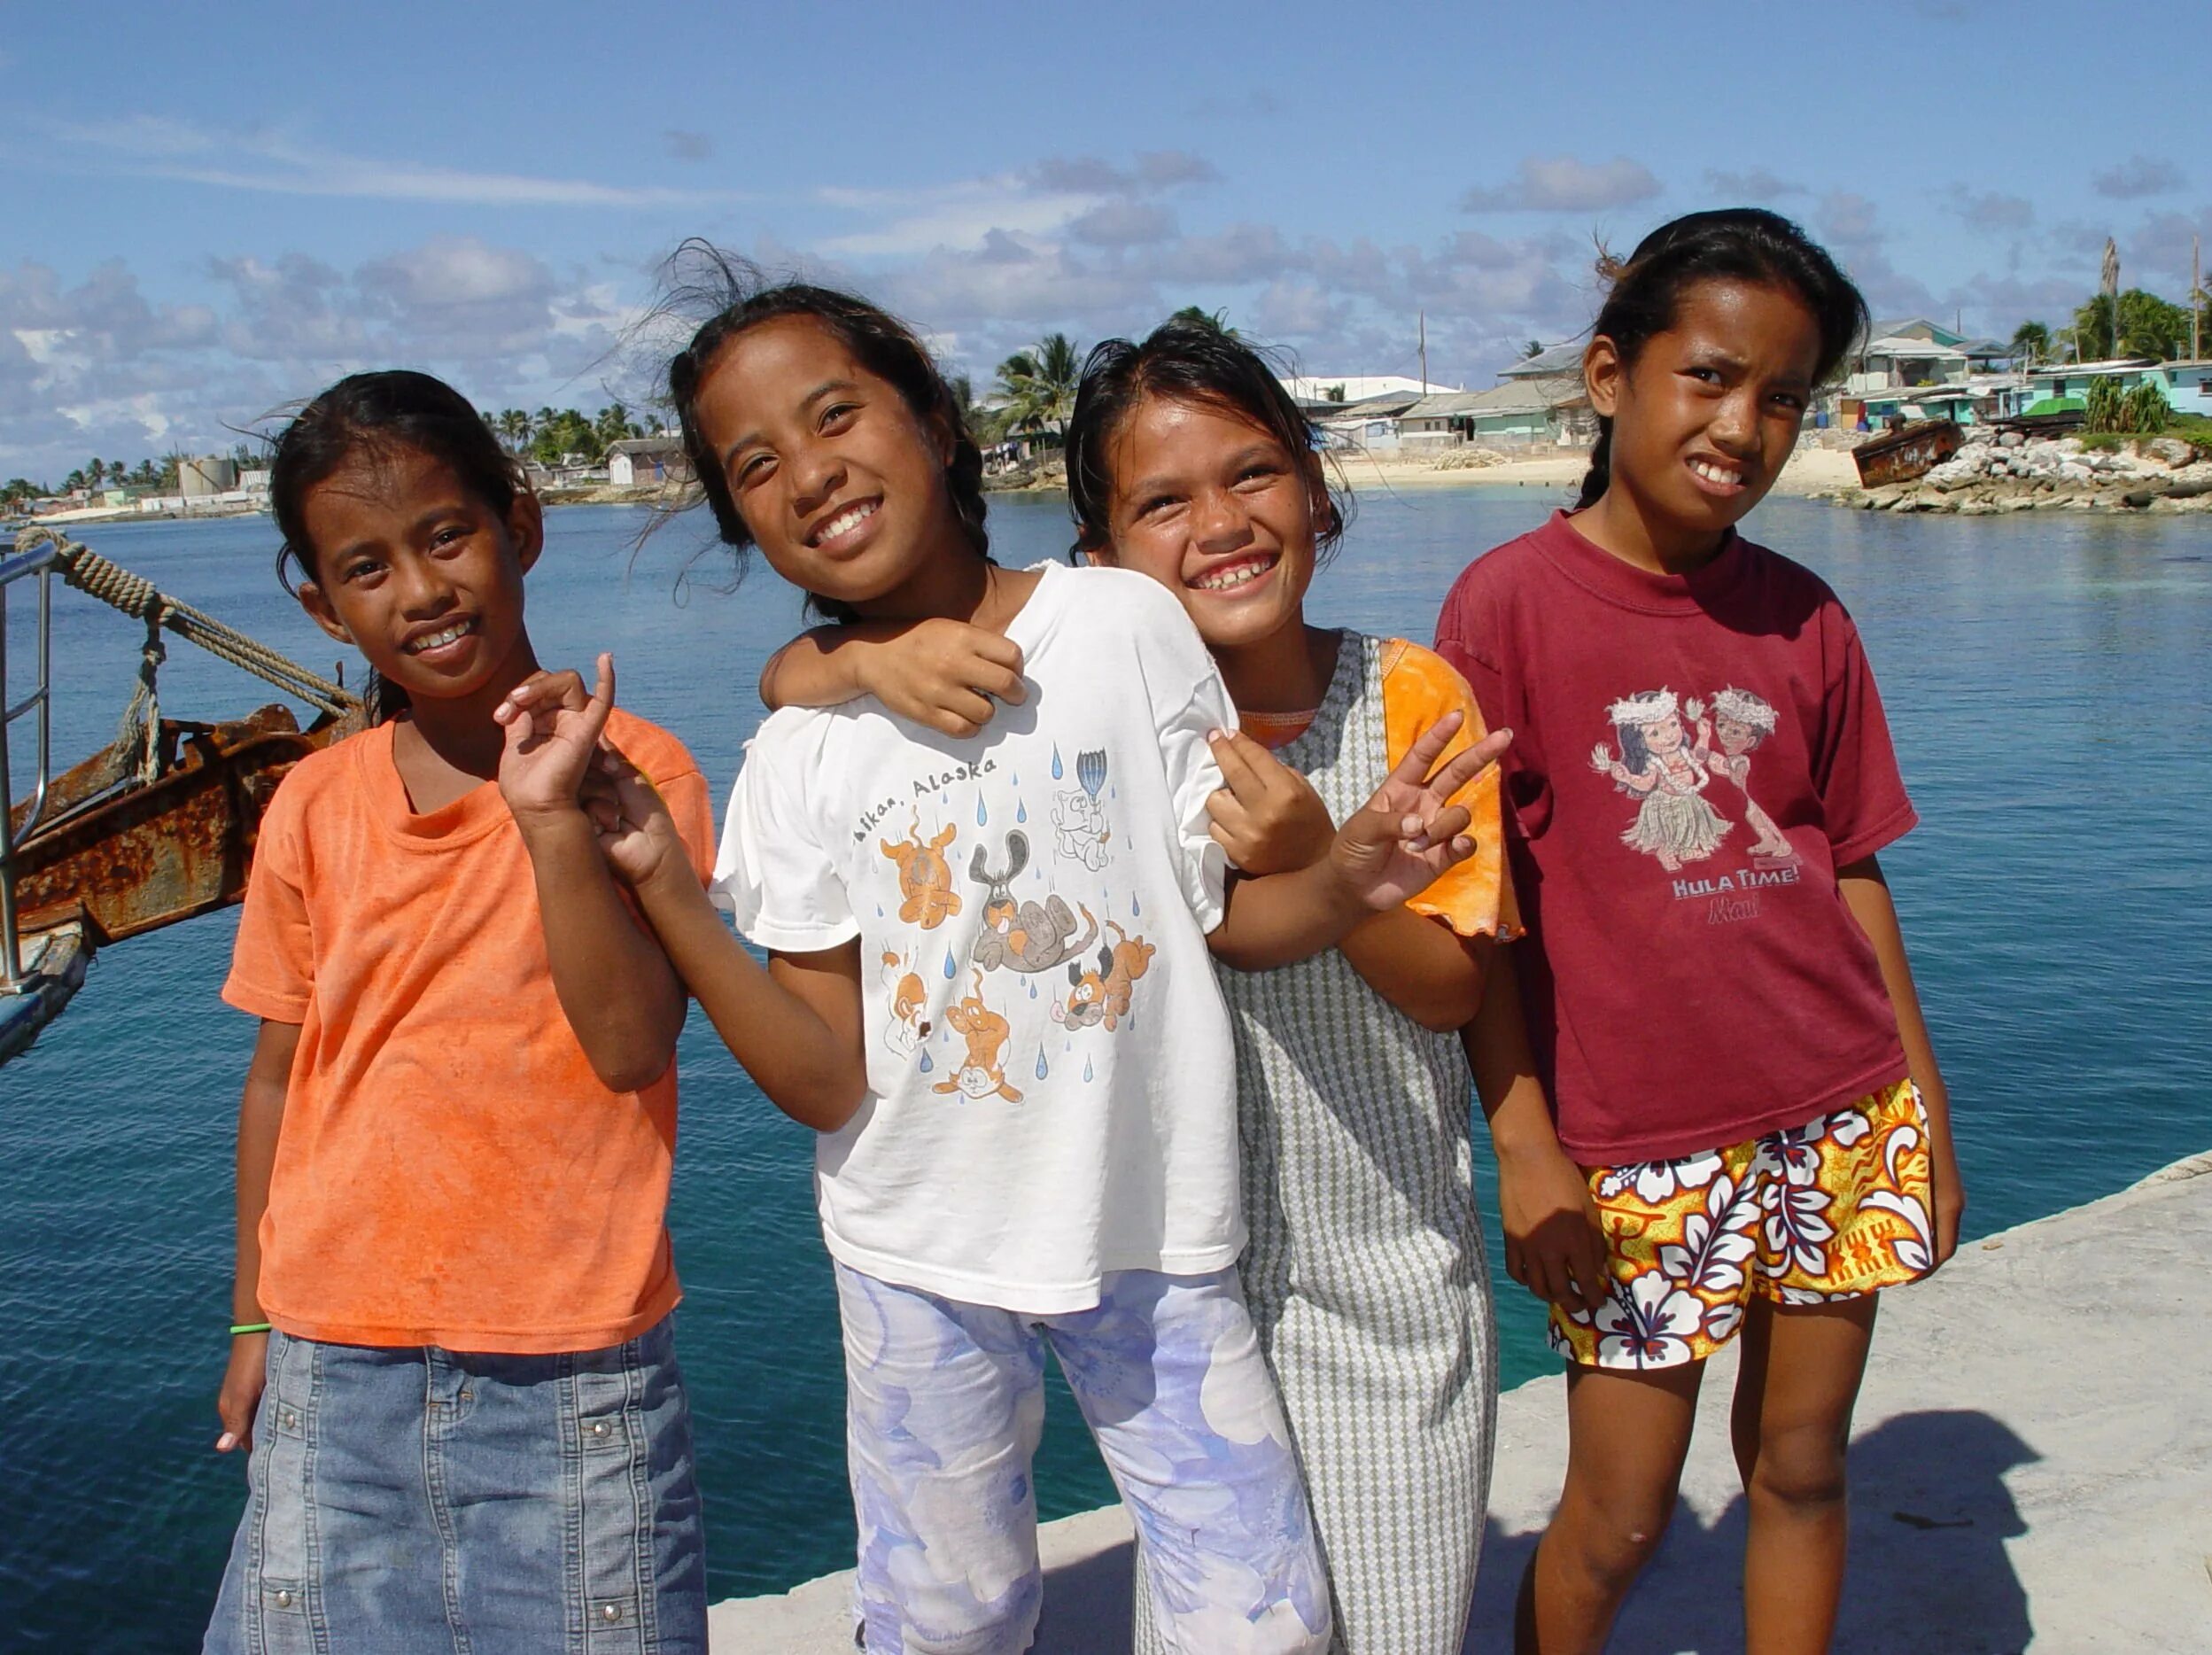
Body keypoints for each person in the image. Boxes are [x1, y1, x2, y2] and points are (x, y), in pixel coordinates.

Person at [593, 249, 1499, 1655]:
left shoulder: (1122, 624)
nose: (811, 473)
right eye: (756, 464)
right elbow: (827, 1081)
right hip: (914, 1260)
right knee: (950, 1615)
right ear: (737, 518)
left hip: (1156, 1236)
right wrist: (668, 892)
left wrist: (1340, 880)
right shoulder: (795, 751)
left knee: (1259, 1619)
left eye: (839, 416)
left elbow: (1216, 919)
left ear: (938, 420)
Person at [1432, 208, 1966, 1654]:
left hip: (1840, 1113)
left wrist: (1916, 1101)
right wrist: (1524, 1136)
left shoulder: (1806, 616)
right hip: (1632, 1147)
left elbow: (1850, 866)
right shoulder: (1503, 609)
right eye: (1711, 378)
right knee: (1615, 1518)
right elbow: (1479, 912)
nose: (1745, 425)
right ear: (1609, 377)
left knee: (1799, 1466)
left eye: (1782, 397)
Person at [206, 370, 714, 1653]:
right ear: (324, 607)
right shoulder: (316, 806)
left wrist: (549, 817)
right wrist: (253, 1314)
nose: (422, 592)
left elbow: (630, 1044)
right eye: (367, 568)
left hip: (571, 1373)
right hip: (331, 1353)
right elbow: (280, 1077)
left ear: (519, 527)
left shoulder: (637, 775)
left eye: (447, 536)